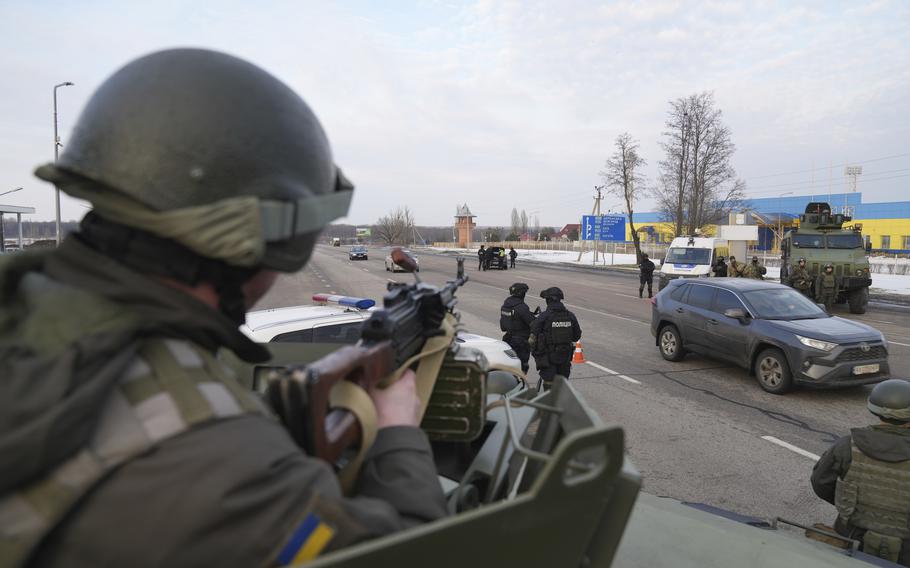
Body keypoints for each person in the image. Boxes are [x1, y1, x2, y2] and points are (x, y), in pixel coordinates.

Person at [0, 49, 446, 567]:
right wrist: (396, 433)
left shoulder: (23, 298)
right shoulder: (230, 471)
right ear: (261, 242)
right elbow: (420, 555)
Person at [811, 379, 910, 566]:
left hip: (850, 537)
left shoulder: (847, 446)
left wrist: (850, 504)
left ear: (874, 409)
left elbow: (820, 482)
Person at [530, 287, 582, 391]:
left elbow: (533, 332)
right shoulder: (570, 315)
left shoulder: (544, 316)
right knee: (561, 386)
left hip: (549, 359)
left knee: (549, 387)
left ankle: (549, 405)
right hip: (565, 357)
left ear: (548, 300)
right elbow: (577, 336)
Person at [499, 282, 537, 374]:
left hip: (508, 338)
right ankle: (520, 385)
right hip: (520, 342)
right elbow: (533, 323)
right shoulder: (521, 307)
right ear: (522, 293)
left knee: (509, 364)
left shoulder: (506, 305)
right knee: (522, 366)